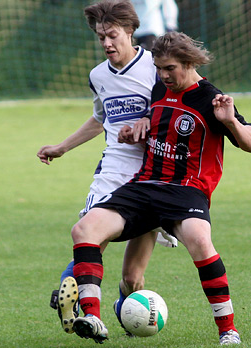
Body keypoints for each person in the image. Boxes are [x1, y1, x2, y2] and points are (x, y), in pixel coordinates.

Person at [69, 31, 251, 345]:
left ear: (189, 62)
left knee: (200, 241)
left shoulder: (210, 97)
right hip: (144, 186)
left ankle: (228, 330)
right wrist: (137, 129)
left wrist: (230, 121)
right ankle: (91, 315)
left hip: (186, 190)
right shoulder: (160, 87)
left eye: (170, 68)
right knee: (84, 230)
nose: (162, 75)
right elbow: (155, 119)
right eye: (159, 68)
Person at [36, 0, 176, 336]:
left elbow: (174, 108)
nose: (107, 43)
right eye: (101, 38)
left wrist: (147, 119)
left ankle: (121, 309)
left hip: (154, 175)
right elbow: (101, 118)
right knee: (89, 237)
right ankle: (74, 302)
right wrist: (62, 147)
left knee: (133, 278)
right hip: (112, 171)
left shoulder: (156, 68)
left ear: (130, 32)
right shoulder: (98, 75)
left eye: (111, 35)